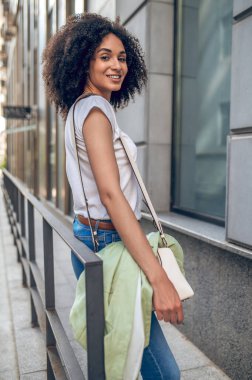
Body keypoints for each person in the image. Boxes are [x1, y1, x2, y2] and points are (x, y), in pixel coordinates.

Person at [42, 12, 183, 379]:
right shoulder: (95, 113)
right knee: (163, 372)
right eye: (104, 57)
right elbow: (111, 194)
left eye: (121, 57)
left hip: (90, 235)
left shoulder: (79, 110)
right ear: (83, 60)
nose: (116, 65)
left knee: (125, 354)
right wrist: (158, 278)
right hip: (109, 242)